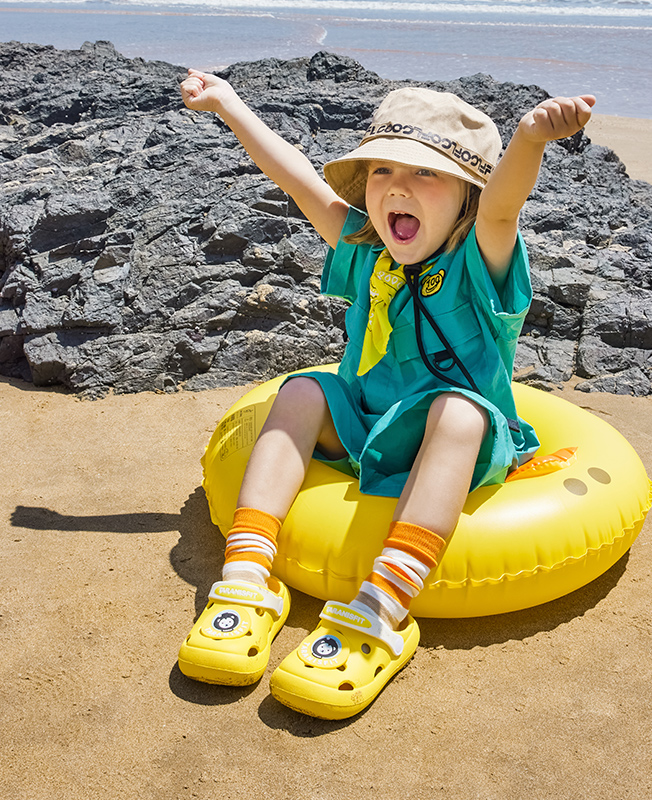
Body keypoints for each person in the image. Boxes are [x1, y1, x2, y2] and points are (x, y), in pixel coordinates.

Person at [178, 69, 595, 719]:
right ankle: (246, 577)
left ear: (465, 199)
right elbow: (296, 178)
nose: (397, 186)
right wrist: (229, 105)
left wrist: (530, 137)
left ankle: (383, 608)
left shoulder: (477, 263)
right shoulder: (365, 249)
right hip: (366, 423)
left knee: (456, 410)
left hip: (454, 439)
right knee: (301, 391)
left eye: (426, 173)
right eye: (381, 172)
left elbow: (504, 205)